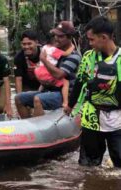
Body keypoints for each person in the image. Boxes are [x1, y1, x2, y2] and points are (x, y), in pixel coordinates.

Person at [64, 16, 121, 167]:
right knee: (88, 167)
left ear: (103, 37)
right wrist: (70, 105)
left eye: (92, 40)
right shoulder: (88, 57)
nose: (89, 44)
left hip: (118, 119)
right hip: (91, 117)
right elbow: (79, 82)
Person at [15, 21, 81, 118]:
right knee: (19, 98)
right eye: (55, 36)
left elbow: (59, 75)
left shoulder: (74, 56)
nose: (56, 39)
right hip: (48, 89)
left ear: (69, 37)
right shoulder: (52, 50)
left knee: (38, 99)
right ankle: (27, 124)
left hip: (64, 95)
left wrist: (43, 59)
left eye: (61, 36)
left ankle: (38, 129)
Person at [34, 33, 74, 108]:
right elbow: (66, 53)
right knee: (65, 82)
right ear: (54, 42)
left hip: (39, 71)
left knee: (45, 81)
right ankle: (65, 102)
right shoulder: (53, 49)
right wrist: (72, 47)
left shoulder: (44, 47)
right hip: (47, 71)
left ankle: (40, 92)